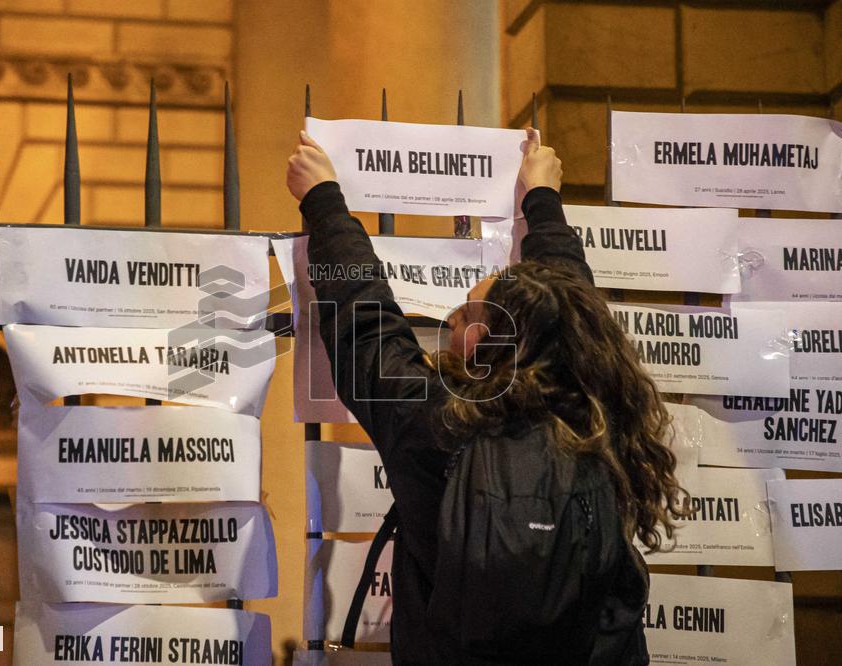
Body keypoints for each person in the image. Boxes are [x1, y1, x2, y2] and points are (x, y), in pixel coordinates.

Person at [287, 129, 684, 664]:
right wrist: (542, 202)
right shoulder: (593, 412)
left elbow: (364, 323)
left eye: (467, 309)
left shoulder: (438, 425)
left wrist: (325, 204)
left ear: (480, 342)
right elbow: (571, 312)